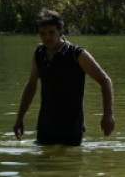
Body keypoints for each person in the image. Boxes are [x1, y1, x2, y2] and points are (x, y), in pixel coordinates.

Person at [13, 9, 115, 146]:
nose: (47, 37)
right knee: (43, 165)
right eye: (42, 33)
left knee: (69, 164)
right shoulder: (39, 53)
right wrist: (20, 118)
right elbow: (31, 85)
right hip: (45, 126)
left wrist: (108, 115)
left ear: (60, 31)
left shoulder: (76, 54)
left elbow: (105, 81)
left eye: (51, 32)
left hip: (71, 128)